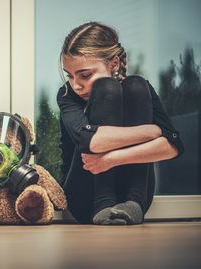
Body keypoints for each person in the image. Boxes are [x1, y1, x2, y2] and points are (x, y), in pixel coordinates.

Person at [57, 22, 184, 225]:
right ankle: (103, 203)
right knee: (106, 88)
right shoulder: (67, 95)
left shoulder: (141, 91)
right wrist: (152, 131)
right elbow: (90, 142)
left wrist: (111, 160)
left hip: (134, 196)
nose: (76, 85)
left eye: (85, 75)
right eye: (69, 75)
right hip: (85, 196)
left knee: (136, 84)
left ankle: (133, 202)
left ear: (114, 64)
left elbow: (173, 146)